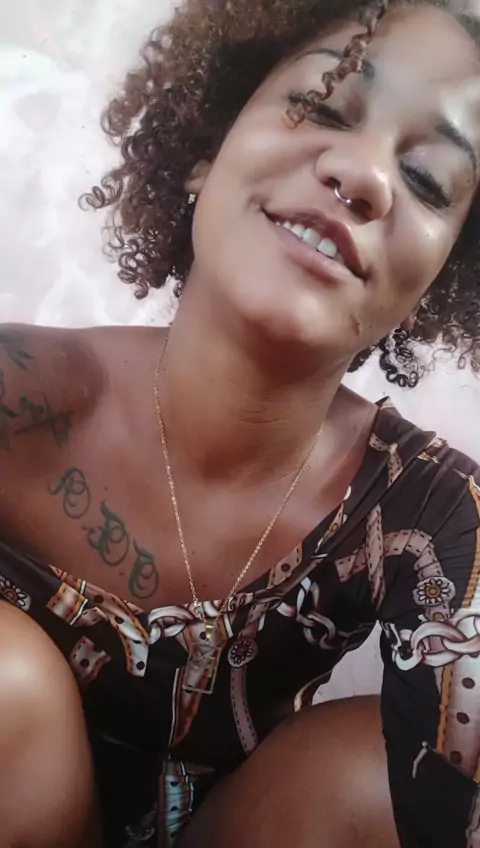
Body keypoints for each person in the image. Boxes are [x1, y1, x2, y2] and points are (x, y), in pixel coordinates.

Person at [1, 0, 480, 845]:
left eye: (427, 181)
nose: (363, 175)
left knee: (369, 781)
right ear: (205, 150)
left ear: (432, 286)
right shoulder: (20, 395)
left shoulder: (430, 516)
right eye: (323, 106)